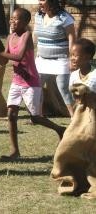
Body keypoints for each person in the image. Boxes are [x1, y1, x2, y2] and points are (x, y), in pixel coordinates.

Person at [0, 8, 66, 159]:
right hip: (17, 81)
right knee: (11, 114)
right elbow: (4, 60)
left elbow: (18, 56)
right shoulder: (10, 37)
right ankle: (15, 151)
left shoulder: (27, 35)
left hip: (31, 82)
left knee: (35, 117)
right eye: (11, 18)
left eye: (16, 19)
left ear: (25, 22)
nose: (12, 21)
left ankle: (60, 129)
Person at [51, 38, 96, 199]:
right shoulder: (74, 75)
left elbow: (89, 91)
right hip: (80, 117)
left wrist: (86, 92)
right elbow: (74, 96)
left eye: (76, 55)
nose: (72, 58)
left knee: (88, 149)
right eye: (71, 55)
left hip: (93, 116)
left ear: (88, 57)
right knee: (69, 146)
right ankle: (74, 180)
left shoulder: (95, 74)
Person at [33, 0, 75, 117]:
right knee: (37, 87)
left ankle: (75, 117)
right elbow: (36, 37)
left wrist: (72, 59)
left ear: (51, 0)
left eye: (42, 0)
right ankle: (38, 116)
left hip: (60, 60)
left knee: (63, 88)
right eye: (38, 0)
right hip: (41, 60)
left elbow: (72, 38)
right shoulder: (38, 16)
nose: (39, 3)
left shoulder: (64, 17)